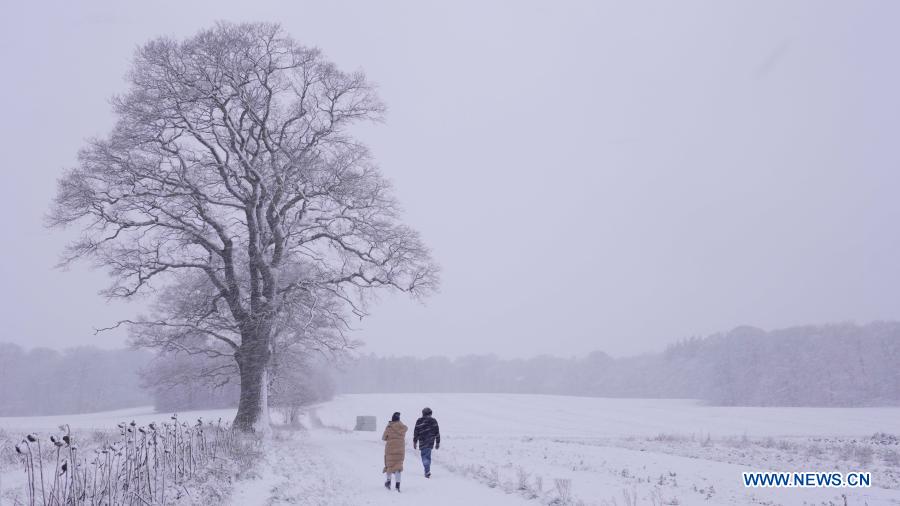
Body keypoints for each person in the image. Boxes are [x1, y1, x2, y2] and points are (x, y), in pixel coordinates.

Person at [382, 412, 407, 492]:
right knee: (398, 467)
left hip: (390, 448)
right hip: (400, 449)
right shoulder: (402, 427)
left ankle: (388, 482)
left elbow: (384, 437)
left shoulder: (389, 427)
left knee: (389, 466)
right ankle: (397, 485)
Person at [413, 407, 441, 478]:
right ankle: (427, 470)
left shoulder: (419, 421)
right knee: (427, 456)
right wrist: (437, 442)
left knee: (425, 456)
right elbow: (437, 432)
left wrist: (415, 441)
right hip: (430, 441)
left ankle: (427, 471)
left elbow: (416, 432)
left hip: (422, 441)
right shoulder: (433, 421)